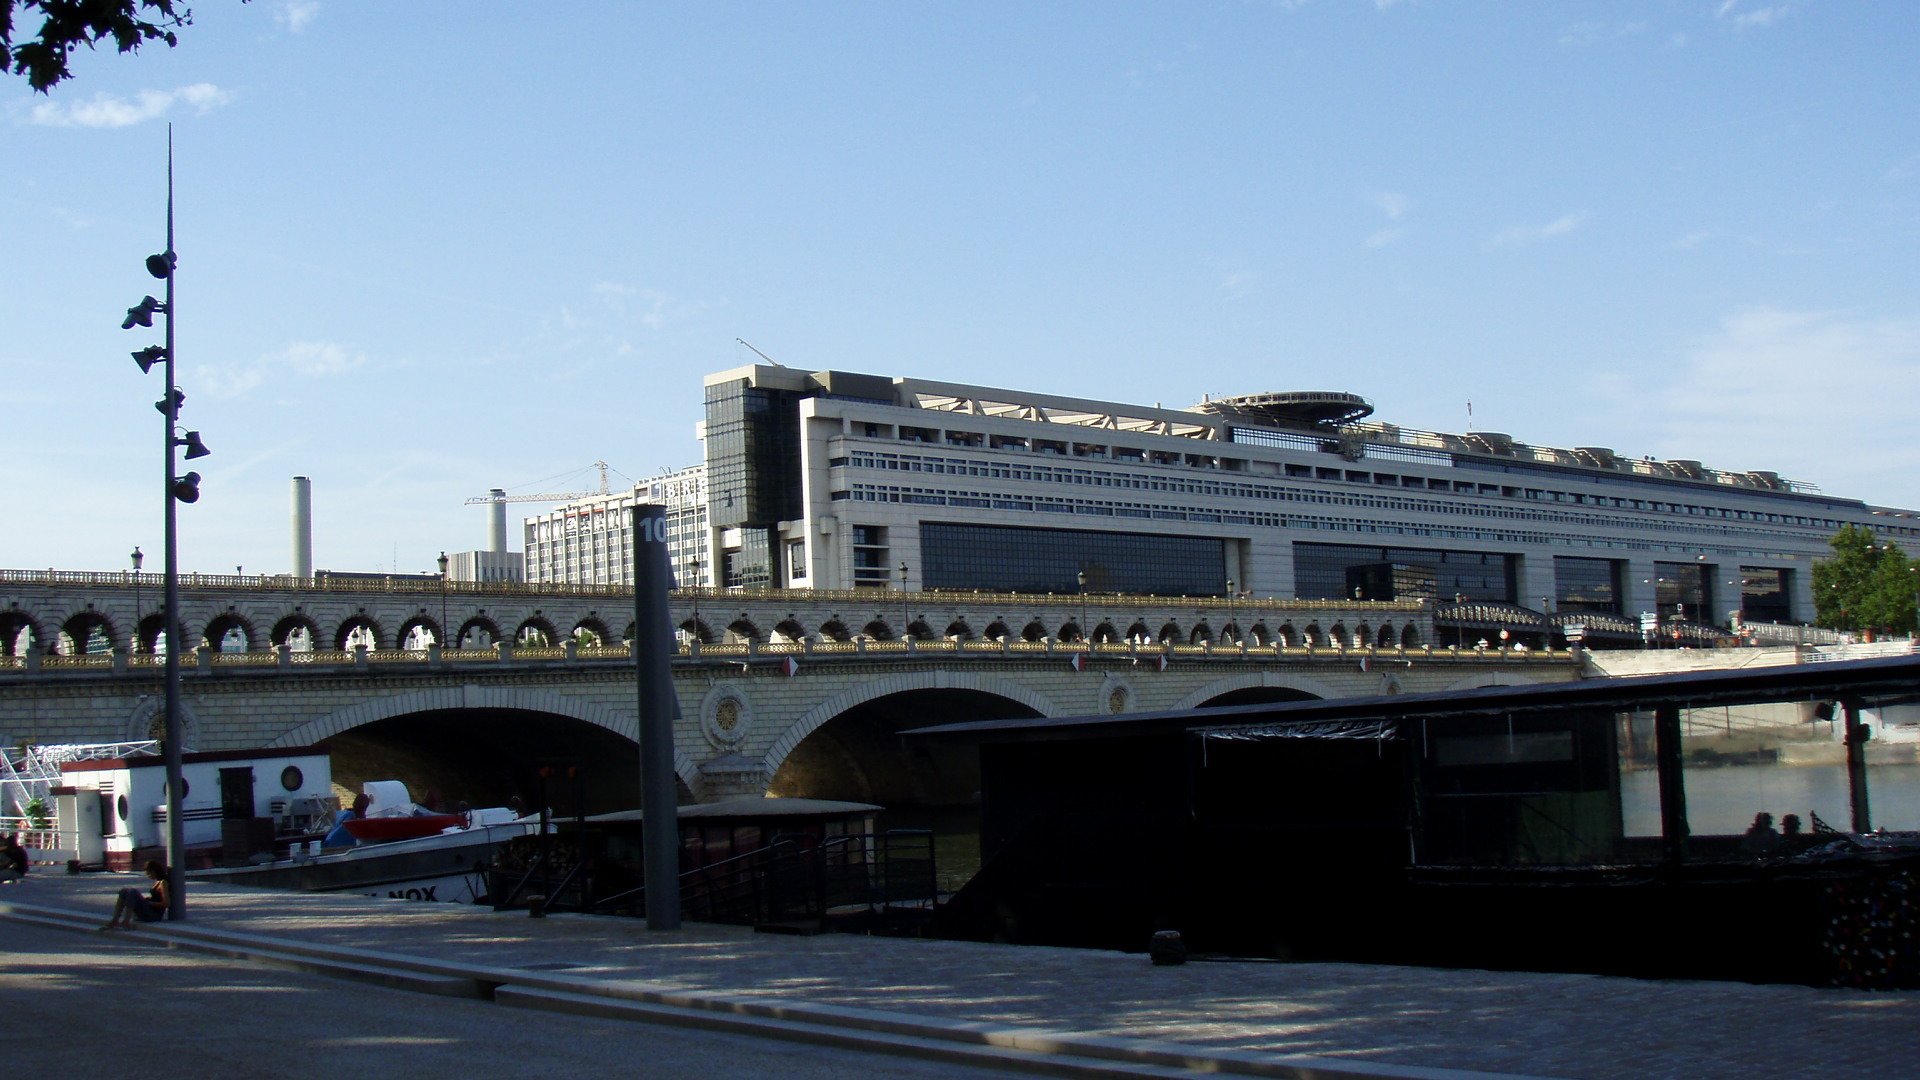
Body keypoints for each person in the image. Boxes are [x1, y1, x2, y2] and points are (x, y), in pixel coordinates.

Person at [101, 861, 169, 929]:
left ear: (153, 871)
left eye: (149, 874)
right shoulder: (157, 882)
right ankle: (115, 920)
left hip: (154, 915)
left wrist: (149, 903)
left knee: (133, 892)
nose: (148, 876)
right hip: (149, 910)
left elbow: (166, 903)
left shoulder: (163, 883)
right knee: (124, 891)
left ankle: (126, 922)